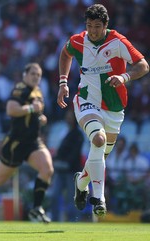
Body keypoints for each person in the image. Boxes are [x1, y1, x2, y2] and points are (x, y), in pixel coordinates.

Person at [57, 3, 149, 217]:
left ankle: (81, 182)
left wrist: (124, 77)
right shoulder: (78, 41)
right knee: (97, 140)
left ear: (105, 25)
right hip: (86, 100)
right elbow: (65, 53)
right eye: (89, 25)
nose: (92, 31)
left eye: (97, 26)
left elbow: (143, 65)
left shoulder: (118, 42)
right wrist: (63, 83)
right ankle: (99, 198)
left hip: (115, 109)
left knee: (99, 156)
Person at [0, 63, 53, 224]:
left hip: (33, 142)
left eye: (38, 75)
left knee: (47, 169)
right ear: (25, 75)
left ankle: (36, 209)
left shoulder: (37, 91)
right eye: (33, 74)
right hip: (16, 143)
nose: (36, 77)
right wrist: (31, 108)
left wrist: (40, 118)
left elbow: (35, 112)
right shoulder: (20, 89)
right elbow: (11, 109)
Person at [51, 109, 84, 221]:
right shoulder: (65, 132)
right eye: (67, 117)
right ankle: (54, 220)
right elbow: (60, 151)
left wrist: (64, 162)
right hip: (61, 171)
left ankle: (74, 221)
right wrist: (56, 160)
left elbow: (74, 154)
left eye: (70, 117)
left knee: (71, 198)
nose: (68, 119)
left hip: (72, 172)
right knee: (54, 195)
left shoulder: (78, 135)